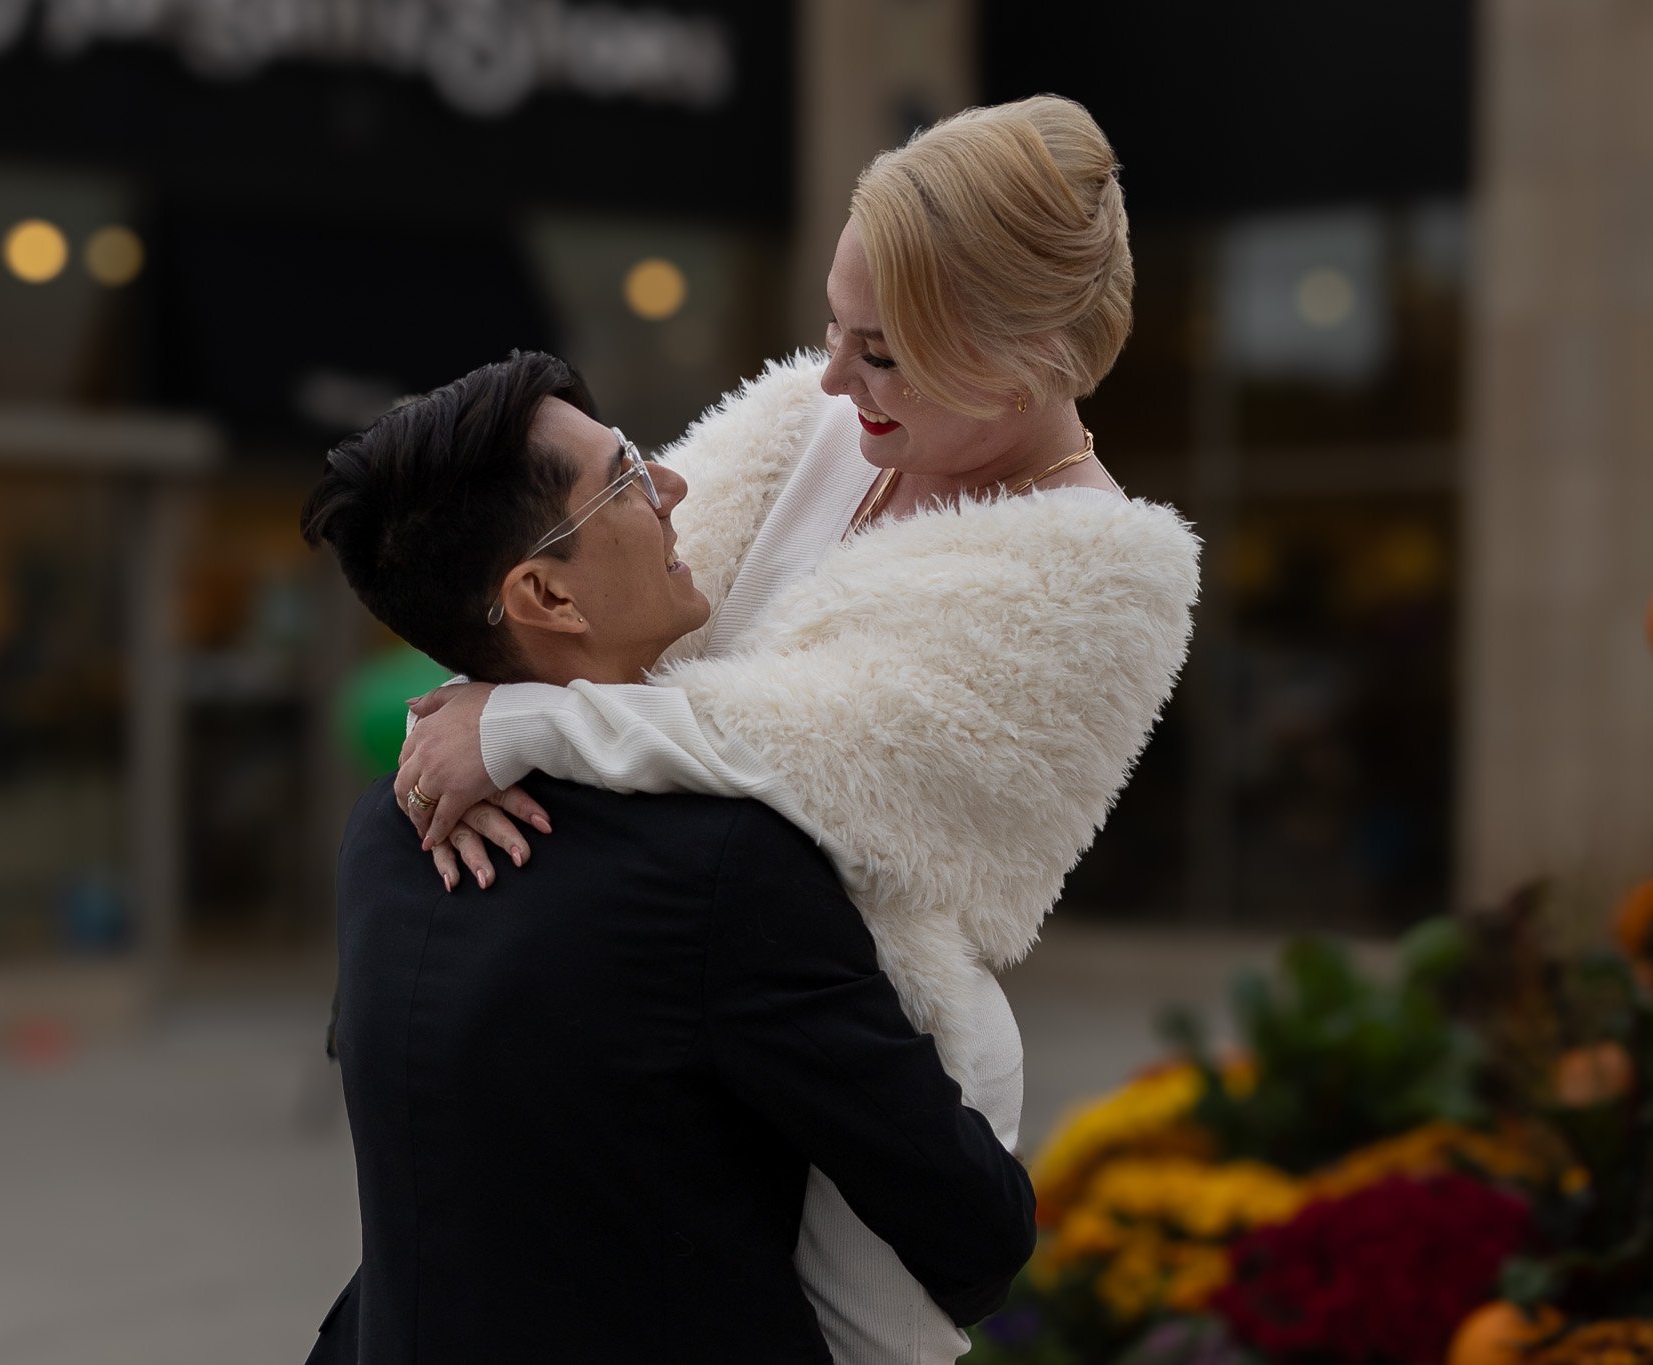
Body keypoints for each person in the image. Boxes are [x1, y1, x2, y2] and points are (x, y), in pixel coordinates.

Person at [396, 95, 1201, 1364]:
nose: (833, 376)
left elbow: (817, 760)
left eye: (880, 351)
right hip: (654, 1005)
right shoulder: (811, 425)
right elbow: (601, 600)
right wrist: (489, 694)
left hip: (869, 1056)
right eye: (834, 325)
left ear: (1022, 359)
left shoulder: (1104, 572)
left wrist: (528, 724)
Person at [297, 351, 1036, 1365]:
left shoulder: (390, 829)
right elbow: (970, 1227)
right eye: (628, 481)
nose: (674, 487)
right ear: (546, 594)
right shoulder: (718, 868)